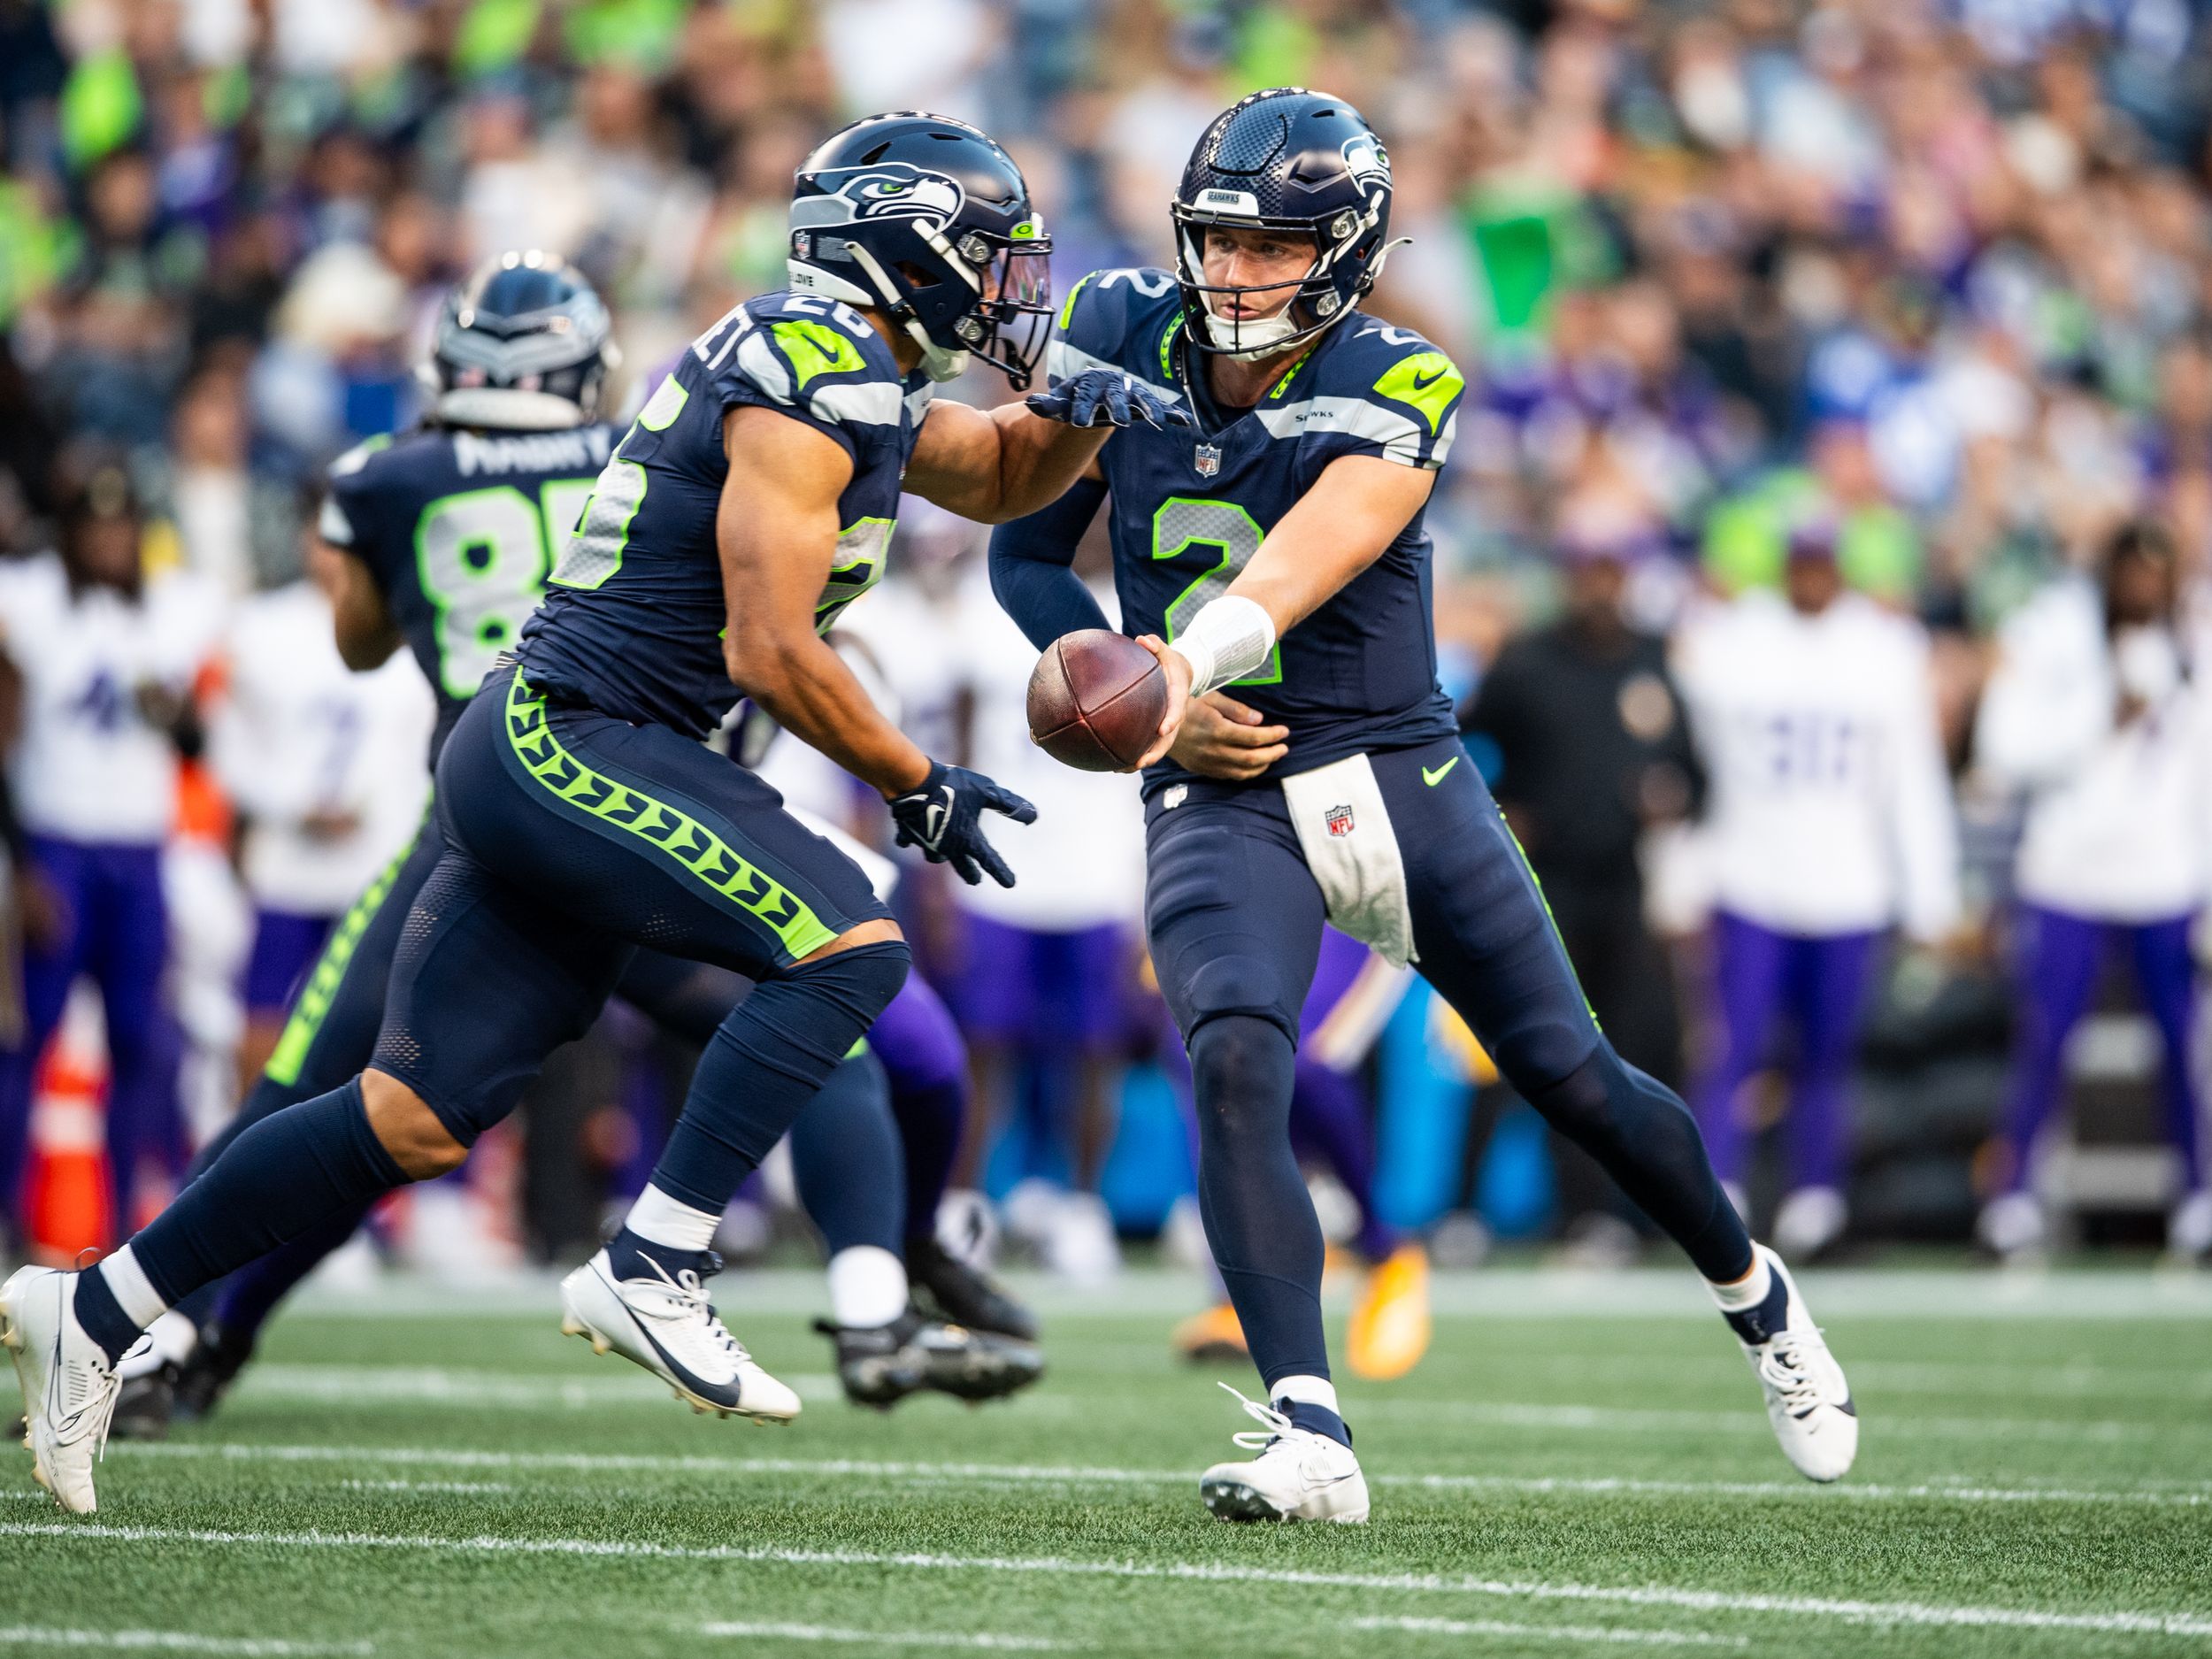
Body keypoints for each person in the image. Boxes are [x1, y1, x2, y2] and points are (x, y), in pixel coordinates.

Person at [3, 111, 1179, 1513]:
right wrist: (914, 782)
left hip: (559, 749)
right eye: (985, 254)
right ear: (904, 246)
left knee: (409, 1115)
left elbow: (992, 471)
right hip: (580, 738)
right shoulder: (809, 369)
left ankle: (94, 1308)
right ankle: (656, 1258)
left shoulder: (853, 372)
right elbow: (769, 649)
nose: (1005, 285)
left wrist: (1093, 404)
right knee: (852, 946)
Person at [988, 88, 1856, 1525]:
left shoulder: (1400, 380)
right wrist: (1119, 692)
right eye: (1215, 241)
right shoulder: (1123, 332)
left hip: (1396, 767)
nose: (1230, 274)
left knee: (1574, 1078)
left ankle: (1761, 1303)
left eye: (1266, 249)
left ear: (1339, 257)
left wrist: (1170, 664)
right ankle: (1312, 1433)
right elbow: (1029, 557)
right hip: (1226, 781)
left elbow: (1300, 564)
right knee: (1235, 1054)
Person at [1676, 515, 1961, 1260]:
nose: (1810, 576)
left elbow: (1912, 778)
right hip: (1750, 872)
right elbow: (1690, 751)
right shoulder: (1735, 639)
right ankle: (1715, 1192)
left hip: (1848, 880)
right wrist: (1683, 873)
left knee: (1828, 1053)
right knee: (1732, 1045)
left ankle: (1815, 1196)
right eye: (1799, 561)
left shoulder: (1885, 648)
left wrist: (1929, 893)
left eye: (1821, 561)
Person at [1461, 528, 1706, 1262]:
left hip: (1624, 886)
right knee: (1517, 1040)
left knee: (1616, 1052)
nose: (1600, 584)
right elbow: (1452, 741)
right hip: (1543, 883)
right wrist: (1503, 809)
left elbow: (1695, 772)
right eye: (1589, 568)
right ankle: (1463, 1209)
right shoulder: (1528, 661)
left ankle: (1595, 1215)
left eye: (1612, 569)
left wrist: (1674, 800)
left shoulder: (1650, 660)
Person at [1974, 520, 2212, 1265]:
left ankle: (2199, 1200)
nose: (2145, 588)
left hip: (2161, 875)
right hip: (2067, 871)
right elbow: (2001, 747)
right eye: (2133, 572)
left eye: (2157, 573)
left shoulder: (2194, 640)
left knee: (2181, 1044)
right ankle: (2011, 1204)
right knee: (2045, 1040)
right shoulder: (2052, 628)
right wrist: (2094, 722)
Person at [0, 455, 219, 1245]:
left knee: (139, 1040)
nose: (109, 541)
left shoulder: (174, 609)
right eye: (94, 526)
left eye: (121, 525)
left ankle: (124, 1219)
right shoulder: (29, 602)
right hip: (55, 847)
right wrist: (21, 864)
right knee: (25, 1041)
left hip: (138, 851)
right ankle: (10, 1219)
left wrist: (175, 714)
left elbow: (198, 742)